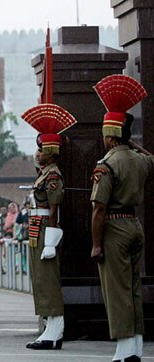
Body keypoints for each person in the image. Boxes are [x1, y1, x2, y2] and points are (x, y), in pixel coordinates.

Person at [91, 75, 151, 361]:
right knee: (134, 289)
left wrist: (96, 244)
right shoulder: (139, 160)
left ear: (111, 135)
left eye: (106, 133)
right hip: (135, 226)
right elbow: (149, 156)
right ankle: (136, 345)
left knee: (117, 290)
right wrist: (130, 143)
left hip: (114, 226)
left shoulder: (106, 165)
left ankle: (124, 349)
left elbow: (99, 209)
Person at [20, 103, 77, 349]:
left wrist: (51, 241)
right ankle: (48, 329)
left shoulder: (53, 176)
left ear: (51, 152)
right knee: (41, 281)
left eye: (41, 149)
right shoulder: (45, 172)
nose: (38, 153)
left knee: (49, 281)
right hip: (37, 228)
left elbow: (54, 209)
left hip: (46, 229)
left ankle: (55, 332)